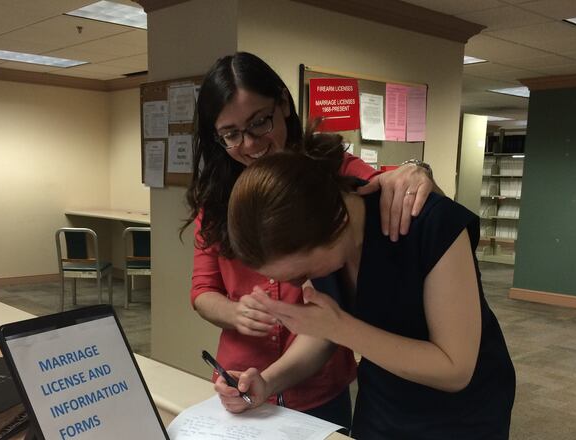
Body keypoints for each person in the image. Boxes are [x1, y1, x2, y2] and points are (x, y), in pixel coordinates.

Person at [183, 52, 437, 429]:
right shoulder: (217, 200)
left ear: (283, 104)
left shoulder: (328, 173)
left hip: (319, 381)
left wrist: (416, 172)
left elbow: (384, 188)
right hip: (242, 377)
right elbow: (202, 290)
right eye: (231, 134)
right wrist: (236, 313)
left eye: (260, 123)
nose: (250, 145)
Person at [221, 130, 516, 439]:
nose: (299, 283)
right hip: (383, 404)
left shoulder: (428, 223)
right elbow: (323, 337)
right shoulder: (325, 245)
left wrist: (340, 327)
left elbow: (455, 368)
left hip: (462, 416)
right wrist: (268, 382)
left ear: (336, 223)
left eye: (300, 273)